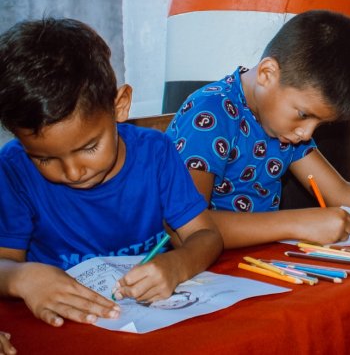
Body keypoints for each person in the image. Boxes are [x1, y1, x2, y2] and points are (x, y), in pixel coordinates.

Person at [0, 18, 223, 329]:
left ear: (120, 105)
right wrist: (22, 278)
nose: (73, 172)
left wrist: (178, 264)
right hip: (64, 326)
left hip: (148, 321)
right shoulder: (14, 169)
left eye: (89, 147)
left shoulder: (156, 153)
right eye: (45, 158)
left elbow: (207, 236)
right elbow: (5, 262)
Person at [167, 9, 350, 248]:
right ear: (267, 74)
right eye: (304, 115)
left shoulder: (280, 125)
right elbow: (184, 227)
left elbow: (339, 193)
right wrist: (296, 223)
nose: (307, 133)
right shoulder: (210, 113)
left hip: (257, 259)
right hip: (197, 264)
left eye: (319, 123)